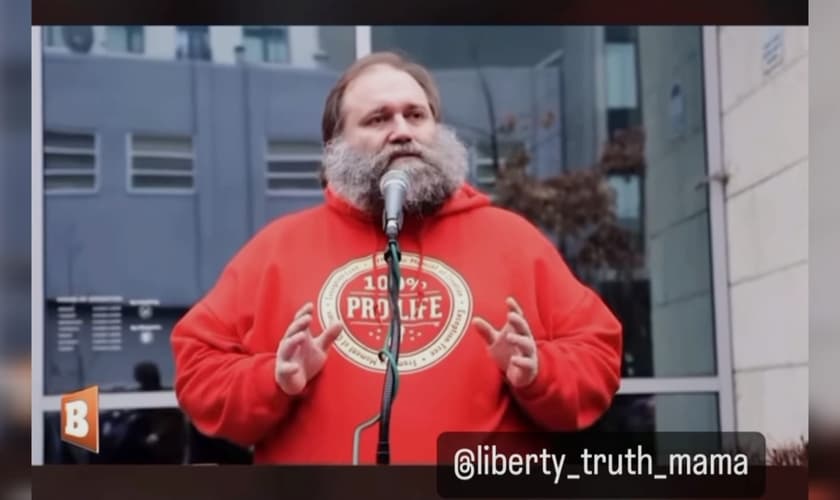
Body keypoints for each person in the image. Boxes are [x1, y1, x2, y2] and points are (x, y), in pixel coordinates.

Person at [171, 51, 623, 464]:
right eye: (377, 119)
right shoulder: (278, 249)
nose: (402, 131)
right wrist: (273, 379)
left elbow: (598, 355)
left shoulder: (512, 240)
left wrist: (539, 372)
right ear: (336, 145)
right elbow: (198, 368)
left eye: (415, 115)